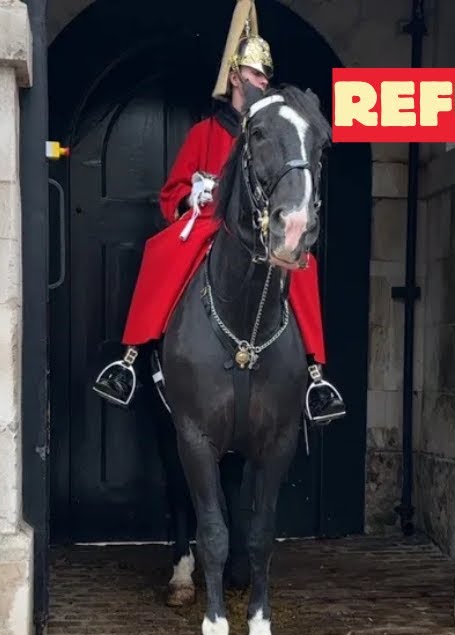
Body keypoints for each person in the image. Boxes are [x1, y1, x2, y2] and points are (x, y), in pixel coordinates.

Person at [90, 24, 347, 425]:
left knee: (302, 265)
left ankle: (314, 373)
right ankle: (131, 359)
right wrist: (192, 196)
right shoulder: (205, 132)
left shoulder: (273, 128)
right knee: (164, 253)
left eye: (265, 75)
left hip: (263, 226)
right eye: (255, 74)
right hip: (211, 223)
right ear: (234, 76)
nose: (262, 81)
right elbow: (170, 192)